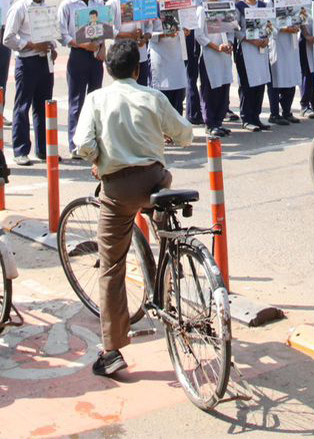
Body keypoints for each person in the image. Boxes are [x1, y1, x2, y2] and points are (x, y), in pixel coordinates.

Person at [74, 39, 194, 378]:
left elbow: (82, 144)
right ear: (138, 70)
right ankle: (171, 262)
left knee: (111, 264)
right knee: (161, 209)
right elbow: (185, 135)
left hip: (118, 188)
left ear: (108, 70)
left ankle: (112, 349)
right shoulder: (152, 97)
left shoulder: (97, 99)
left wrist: (98, 159)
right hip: (155, 181)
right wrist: (166, 137)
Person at [3, 0, 59, 166]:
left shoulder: (45, 6)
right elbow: (8, 38)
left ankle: (44, 150)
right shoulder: (19, 8)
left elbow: (51, 32)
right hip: (27, 62)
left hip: (45, 62)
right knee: (22, 107)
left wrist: (52, 46)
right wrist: (32, 45)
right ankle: (20, 151)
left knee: (43, 107)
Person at [60, 0, 109, 157]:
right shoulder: (67, 5)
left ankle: (94, 141)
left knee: (95, 99)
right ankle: (75, 144)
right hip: (78, 55)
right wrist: (81, 45)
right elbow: (62, 33)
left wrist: (102, 48)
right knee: (77, 101)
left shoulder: (99, 2)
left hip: (95, 56)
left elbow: (104, 28)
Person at [196, 0, 235, 136]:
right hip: (210, 54)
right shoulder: (202, 9)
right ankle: (210, 123)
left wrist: (230, 44)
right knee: (210, 89)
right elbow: (199, 35)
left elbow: (231, 29)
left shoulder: (225, 7)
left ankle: (219, 121)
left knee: (223, 88)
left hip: (224, 54)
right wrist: (216, 46)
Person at [148, 0, 191, 115]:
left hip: (176, 54)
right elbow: (147, 32)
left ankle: (176, 129)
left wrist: (184, 30)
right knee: (162, 94)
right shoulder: (153, 5)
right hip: (160, 55)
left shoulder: (175, 3)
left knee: (178, 93)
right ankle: (163, 131)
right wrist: (163, 34)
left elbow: (181, 25)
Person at [233, 0, 272, 131]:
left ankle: (256, 116)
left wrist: (267, 38)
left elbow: (270, 24)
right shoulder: (239, 6)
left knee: (260, 83)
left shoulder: (263, 5)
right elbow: (235, 29)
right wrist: (250, 40)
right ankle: (246, 117)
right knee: (247, 85)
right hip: (246, 50)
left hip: (261, 50)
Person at [265, 0, 304, 123]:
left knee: (291, 75)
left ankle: (287, 111)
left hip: (292, 41)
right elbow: (267, 24)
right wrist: (284, 28)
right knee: (276, 77)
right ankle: (275, 113)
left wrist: (299, 24)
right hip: (278, 42)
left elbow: (302, 15)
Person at [180, 0, 208, 126]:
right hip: (182, 32)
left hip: (195, 31)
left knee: (192, 71)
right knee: (188, 73)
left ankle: (194, 111)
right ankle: (192, 111)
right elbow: (172, 4)